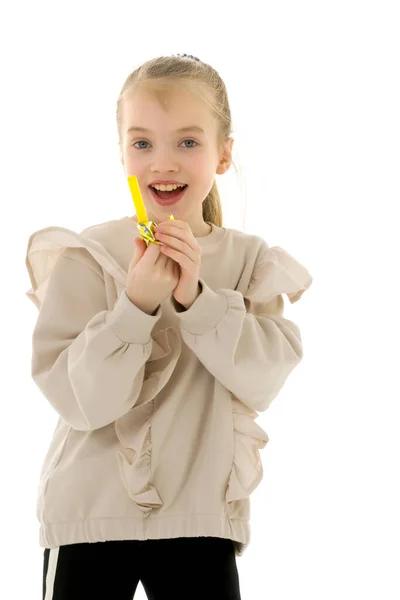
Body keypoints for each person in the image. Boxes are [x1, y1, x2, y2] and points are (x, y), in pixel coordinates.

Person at [26, 54, 313, 600]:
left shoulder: (250, 261)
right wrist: (134, 305)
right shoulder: (89, 254)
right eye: (142, 143)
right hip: (89, 515)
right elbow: (78, 400)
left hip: (200, 518)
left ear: (223, 154)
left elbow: (263, 379)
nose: (163, 163)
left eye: (187, 142)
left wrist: (197, 300)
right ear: (121, 153)